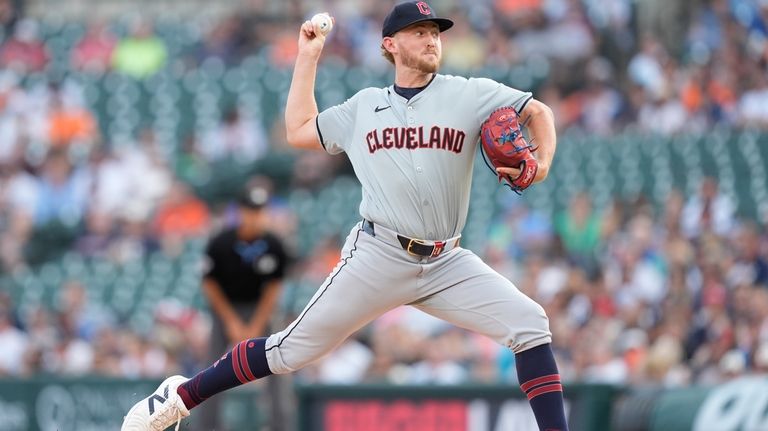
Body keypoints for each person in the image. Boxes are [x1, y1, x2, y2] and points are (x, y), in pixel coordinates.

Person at [121, 2, 567, 431]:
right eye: (420, 32)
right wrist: (307, 57)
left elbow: (538, 112)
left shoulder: (469, 93)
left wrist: (542, 162)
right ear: (390, 44)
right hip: (380, 253)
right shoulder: (363, 108)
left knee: (530, 324)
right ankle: (179, 397)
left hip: (446, 260)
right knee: (288, 352)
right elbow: (298, 130)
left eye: (435, 33)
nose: (432, 40)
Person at [193, 183, 291, 431]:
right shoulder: (220, 242)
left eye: (260, 210)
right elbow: (210, 284)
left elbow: (273, 289)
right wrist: (232, 322)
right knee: (212, 373)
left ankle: (281, 426)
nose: (255, 216)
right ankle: (206, 427)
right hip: (227, 310)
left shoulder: (274, 244)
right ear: (241, 212)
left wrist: (256, 324)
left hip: (261, 311)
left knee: (278, 366)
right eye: (250, 210)